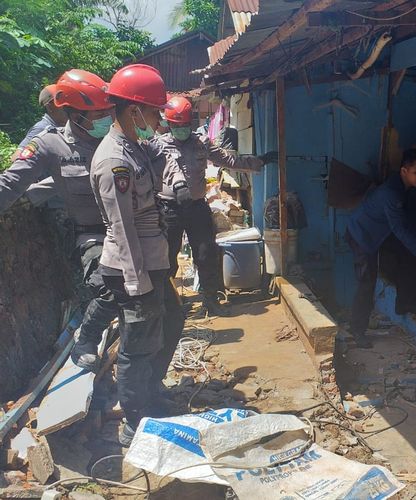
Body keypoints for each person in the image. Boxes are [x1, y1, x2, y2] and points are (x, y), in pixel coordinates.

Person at [0, 69, 122, 369]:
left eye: (108, 111)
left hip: (130, 228)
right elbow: (10, 184)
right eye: (96, 114)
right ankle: (86, 340)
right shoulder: (48, 145)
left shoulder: (119, 136)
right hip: (92, 234)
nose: (105, 118)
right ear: (72, 114)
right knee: (107, 289)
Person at [89, 64, 184, 446]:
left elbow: (167, 156)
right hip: (133, 266)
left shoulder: (136, 147)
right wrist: (136, 279)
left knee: (170, 323)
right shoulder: (114, 161)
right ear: (133, 112)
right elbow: (122, 227)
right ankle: (135, 421)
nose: (159, 119)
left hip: (151, 260)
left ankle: (150, 393)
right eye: (155, 112)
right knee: (137, 343)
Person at [157, 95, 277, 315]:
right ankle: (167, 307)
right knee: (167, 259)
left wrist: (260, 161)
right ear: (169, 124)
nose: (181, 129)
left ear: (190, 124)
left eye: (185, 125)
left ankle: (211, 301)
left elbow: (228, 160)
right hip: (169, 210)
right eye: (177, 126)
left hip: (196, 207)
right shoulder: (158, 147)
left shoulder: (201, 143)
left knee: (206, 254)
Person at [345, 149, 416, 348]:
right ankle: (357, 330)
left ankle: (403, 303)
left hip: (373, 234)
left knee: (403, 258)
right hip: (361, 237)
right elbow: (399, 227)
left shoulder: (399, 187)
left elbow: (403, 223)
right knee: (367, 283)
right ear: (404, 171)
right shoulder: (393, 193)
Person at [11, 85, 68, 162]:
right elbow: (16, 158)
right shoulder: (42, 128)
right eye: (61, 103)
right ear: (49, 107)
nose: (67, 106)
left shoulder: (66, 128)